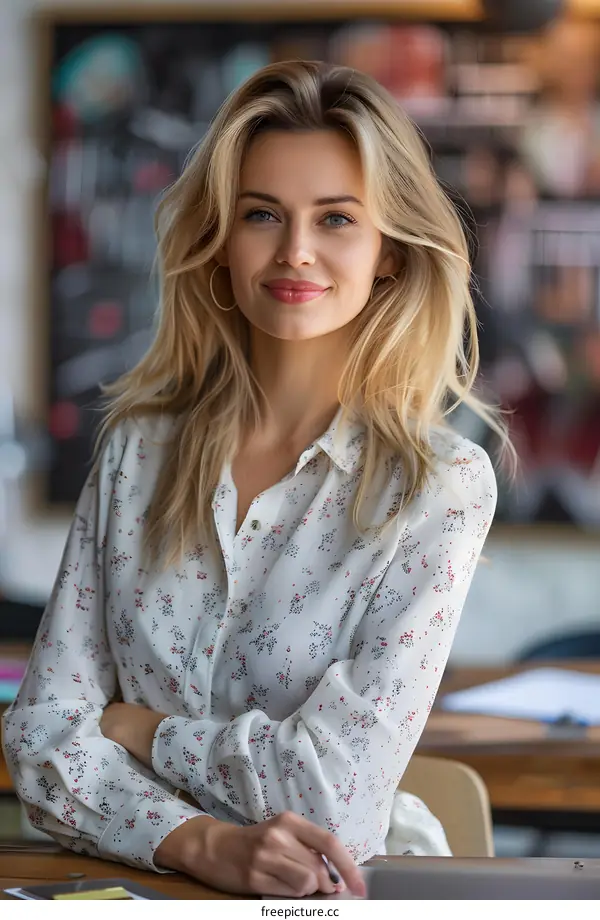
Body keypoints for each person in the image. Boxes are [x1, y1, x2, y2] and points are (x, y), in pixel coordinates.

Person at [2, 61, 502, 898]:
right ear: (221, 241)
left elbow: (328, 799)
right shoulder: (137, 450)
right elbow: (42, 741)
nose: (295, 251)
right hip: (125, 892)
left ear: (387, 252)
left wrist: (140, 730)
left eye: (337, 218)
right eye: (262, 214)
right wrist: (201, 842)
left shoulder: (441, 485)